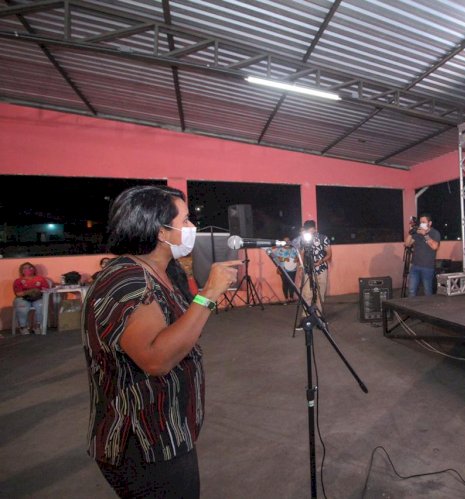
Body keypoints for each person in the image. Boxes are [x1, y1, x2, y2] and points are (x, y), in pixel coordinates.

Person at [81, 185, 240, 498]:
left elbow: (181, 333)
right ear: (160, 231)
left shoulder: (161, 272)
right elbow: (156, 358)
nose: (192, 228)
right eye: (185, 221)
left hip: (166, 433)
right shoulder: (127, 279)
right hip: (143, 441)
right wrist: (208, 295)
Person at [295, 220, 332, 313]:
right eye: (308, 230)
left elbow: (329, 254)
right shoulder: (303, 239)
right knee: (307, 294)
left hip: (321, 269)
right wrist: (301, 268)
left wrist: (321, 261)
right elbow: (301, 254)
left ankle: (320, 317)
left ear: (315, 228)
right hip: (308, 269)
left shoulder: (323, 238)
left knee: (320, 294)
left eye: (311, 230)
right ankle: (306, 317)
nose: (310, 232)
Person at [405, 214, 441, 297]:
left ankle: (428, 309)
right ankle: (412, 307)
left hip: (427, 267)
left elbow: (435, 247)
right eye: (420, 222)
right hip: (415, 266)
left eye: (424, 222)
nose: (421, 224)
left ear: (430, 223)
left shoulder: (434, 233)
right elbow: (407, 244)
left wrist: (425, 234)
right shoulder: (417, 233)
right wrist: (411, 232)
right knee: (411, 290)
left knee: (427, 291)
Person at [12, 262, 51, 335]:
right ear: (22, 270)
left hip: (37, 297)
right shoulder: (18, 281)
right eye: (25, 268)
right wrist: (30, 291)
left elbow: (46, 290)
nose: (28, 269)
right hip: (23, 298)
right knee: (22, 307)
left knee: (41, 306)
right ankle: (23, 327)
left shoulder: (40, 279)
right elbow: (18, 293)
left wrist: (37, 292)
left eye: (30, 267)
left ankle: (37, 326)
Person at [271, 236, 299, 304]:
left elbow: (298, 257)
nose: (286, 242)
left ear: (290, 241)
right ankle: (286, 298)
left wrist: (296, 259)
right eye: (285, 241)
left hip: (293, 269)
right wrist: (284, 259)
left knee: (292, 283)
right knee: (285, 283)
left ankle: (291, 298)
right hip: (283, 269)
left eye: (288, 240)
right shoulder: (279, 249)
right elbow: (275, 258)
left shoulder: (294, 249)